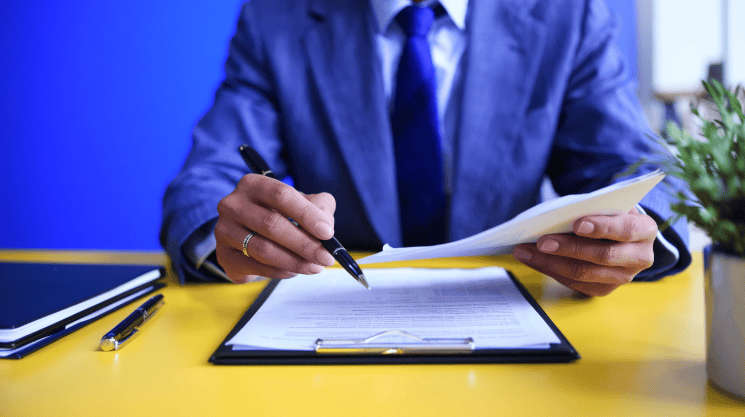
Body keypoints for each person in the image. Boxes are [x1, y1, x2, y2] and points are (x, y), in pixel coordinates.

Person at [161, 0, 692, 296]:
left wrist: (635, 233)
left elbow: (641, 168)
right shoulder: (277, 17)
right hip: (340, 314)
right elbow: (207, 180)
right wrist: (231, 233)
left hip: (516, 308)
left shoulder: (568, 15)